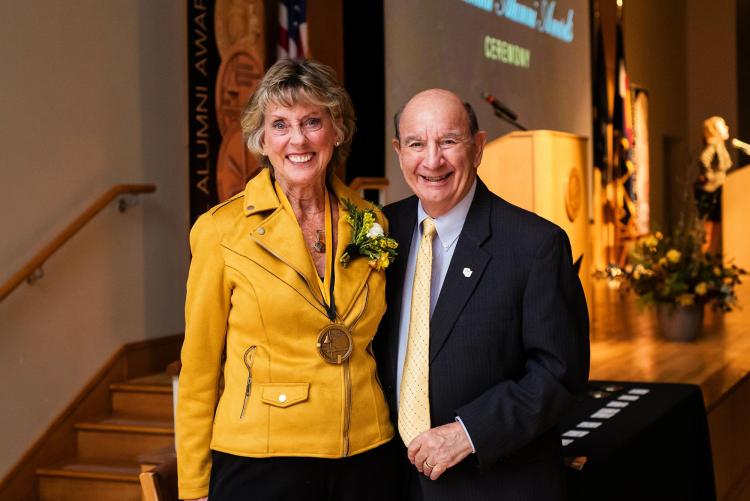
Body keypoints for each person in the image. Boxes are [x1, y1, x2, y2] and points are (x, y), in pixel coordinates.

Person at [176, 59, 398, 501]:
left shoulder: (371, 223)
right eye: (280, 125)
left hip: (368, 452)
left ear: (336, 130)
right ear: (262, 140)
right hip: (262, 459)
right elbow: (199, 371)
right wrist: (194, 486)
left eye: (312, 121)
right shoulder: (221, 231)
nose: (298, 139)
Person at [375, 89, 590, 500]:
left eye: (449, 141)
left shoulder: (535, 245)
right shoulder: (382, 231)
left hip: (495, 483)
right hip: (394, 483)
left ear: (478, 148)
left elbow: (561, 375)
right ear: (399, 152)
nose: (432, 160)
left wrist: (468, 433)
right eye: (417, 144)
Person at [694, 115, 732, 254]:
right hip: (712, 190)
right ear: (715, 130)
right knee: (709, 229)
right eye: (723, 125)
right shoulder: (714, 145)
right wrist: (711, 177)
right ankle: (704, 260)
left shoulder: (720, 145)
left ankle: (710, 259)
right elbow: (704, 159)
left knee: (715, 228)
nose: (727, 127)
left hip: (717, 189)